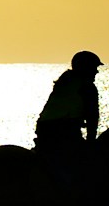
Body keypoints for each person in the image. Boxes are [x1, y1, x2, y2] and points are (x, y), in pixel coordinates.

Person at [33, 50, 101, 193]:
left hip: (45, 128)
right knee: (81, 166)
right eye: (94, 68)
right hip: (63, 131)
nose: (96, 72)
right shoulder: (87, 87)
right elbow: (92, 117)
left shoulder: (65, 81)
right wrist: (91, 143)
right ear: (86, 68)